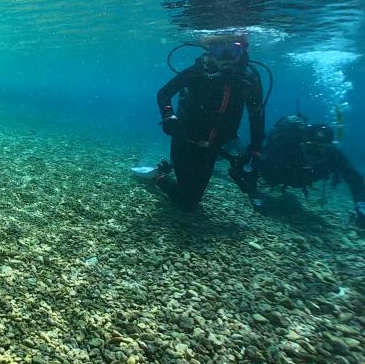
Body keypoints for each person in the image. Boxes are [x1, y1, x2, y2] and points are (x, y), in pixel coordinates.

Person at [152, 32, 265, 211]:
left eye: (233, 51)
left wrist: (255, 149)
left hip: (215, 146)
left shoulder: (249, 81)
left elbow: (256, 115)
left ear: (243, 51)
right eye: (219, 50)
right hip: (185, 139)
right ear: (209, 52)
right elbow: (164, 94)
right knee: (187, 203)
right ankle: (159, 179)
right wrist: (168, 116)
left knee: (192, 199)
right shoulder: (196, 72)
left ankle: (170, 173)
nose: (226, 58)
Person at [231, 114, 365, 228]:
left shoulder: (332, 156)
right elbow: (252, 164)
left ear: (329, 148)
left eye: (322, 149)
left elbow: (355, 179)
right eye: (311, 148)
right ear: (302, 143)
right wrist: (255, 197)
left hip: (292, 177)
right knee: (242, 156)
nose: (316, 155)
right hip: (273, 174)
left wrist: (361, 206)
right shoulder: (284, 148)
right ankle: (232, 141)